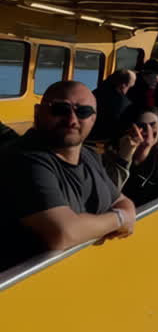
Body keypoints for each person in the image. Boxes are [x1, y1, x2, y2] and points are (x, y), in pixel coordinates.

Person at [0, 81, 135, 270]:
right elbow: (63, 233)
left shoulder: (89, 156)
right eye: (60, 109)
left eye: (83, 112)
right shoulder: (23, 160)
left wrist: (123, 213)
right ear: (37, 112)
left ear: (93, 119)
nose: (71, 119)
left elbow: (122, 202)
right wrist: (120, 219)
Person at [88, 69, 135, 142]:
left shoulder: (94, 93)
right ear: (123, 85)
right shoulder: (124, 104)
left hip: (87, 137)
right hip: (104, 141)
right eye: (130, 87)